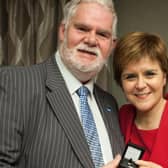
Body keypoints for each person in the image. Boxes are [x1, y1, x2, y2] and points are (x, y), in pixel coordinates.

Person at [0, 0, 124, 167]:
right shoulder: (15, 83)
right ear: (63, 31)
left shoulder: (109, 103)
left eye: (102, 34)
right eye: (82, 29)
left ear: (111, 45)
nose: (91, 40)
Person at [112, 32, 168, 168]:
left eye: (150, 74)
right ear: (121, 83)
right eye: (130, 77)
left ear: (164, 77)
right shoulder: (122, 117)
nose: (141, 85)